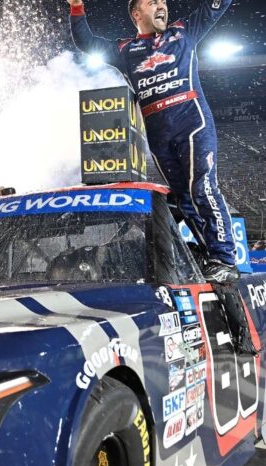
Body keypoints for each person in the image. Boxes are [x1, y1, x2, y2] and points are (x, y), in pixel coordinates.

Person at [68, 0, 239, 283]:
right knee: (184, 199)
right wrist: (76, 7)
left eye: (163, 1)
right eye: (153, 2)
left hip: (193, 125)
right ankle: (210, 258)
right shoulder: (125, 50)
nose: (162, 5)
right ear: (137, 14)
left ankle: (225, 260)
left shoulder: (184, 32)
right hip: (159, 136)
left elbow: (215, 6)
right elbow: (87, 42)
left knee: (203, 188)